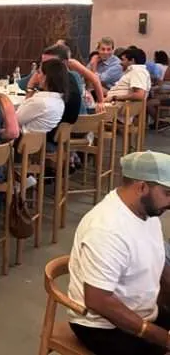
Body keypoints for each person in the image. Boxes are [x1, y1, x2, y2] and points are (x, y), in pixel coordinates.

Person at [67, 150, 170, 355]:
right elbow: (98, 300)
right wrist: (159, 336)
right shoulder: (107, 229)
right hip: (103, 327)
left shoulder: (147, 213)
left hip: (142, 311)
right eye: (168, 193)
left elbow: (158, 262)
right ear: (142, 187)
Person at [15, 58, 68, 133]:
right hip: (40, 138)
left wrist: (30, 85)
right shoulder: (59, 100)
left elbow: (14, 120)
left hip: (24, 138)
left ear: (45, 77)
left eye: (39, 72)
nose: (36, 75)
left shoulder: (40, 102)